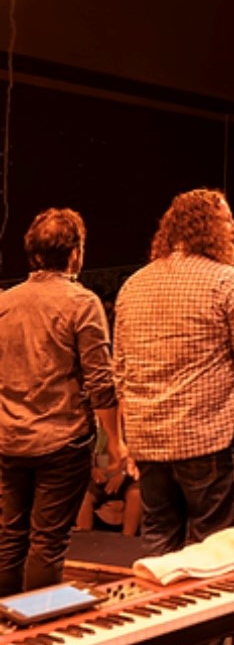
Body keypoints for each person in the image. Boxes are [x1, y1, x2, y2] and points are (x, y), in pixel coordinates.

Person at [114, 189, 234, 645]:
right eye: (228, 221)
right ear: (207, 228)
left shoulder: (133, 285)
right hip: (205, 439)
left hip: (148, 440)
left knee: (160, 554)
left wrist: (126, 437)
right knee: (211, 556)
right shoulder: (226, 282)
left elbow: (121, 370)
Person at [0, 208, 124, 595]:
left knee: (8, 539)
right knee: (47, 543)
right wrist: (114, 444)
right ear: (75, 253)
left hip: (7, 439)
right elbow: (100, 382)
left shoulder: (4, 302)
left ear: (33, 253)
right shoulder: (81, 303)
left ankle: (6, 642)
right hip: (61, 440)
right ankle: (39, 636)